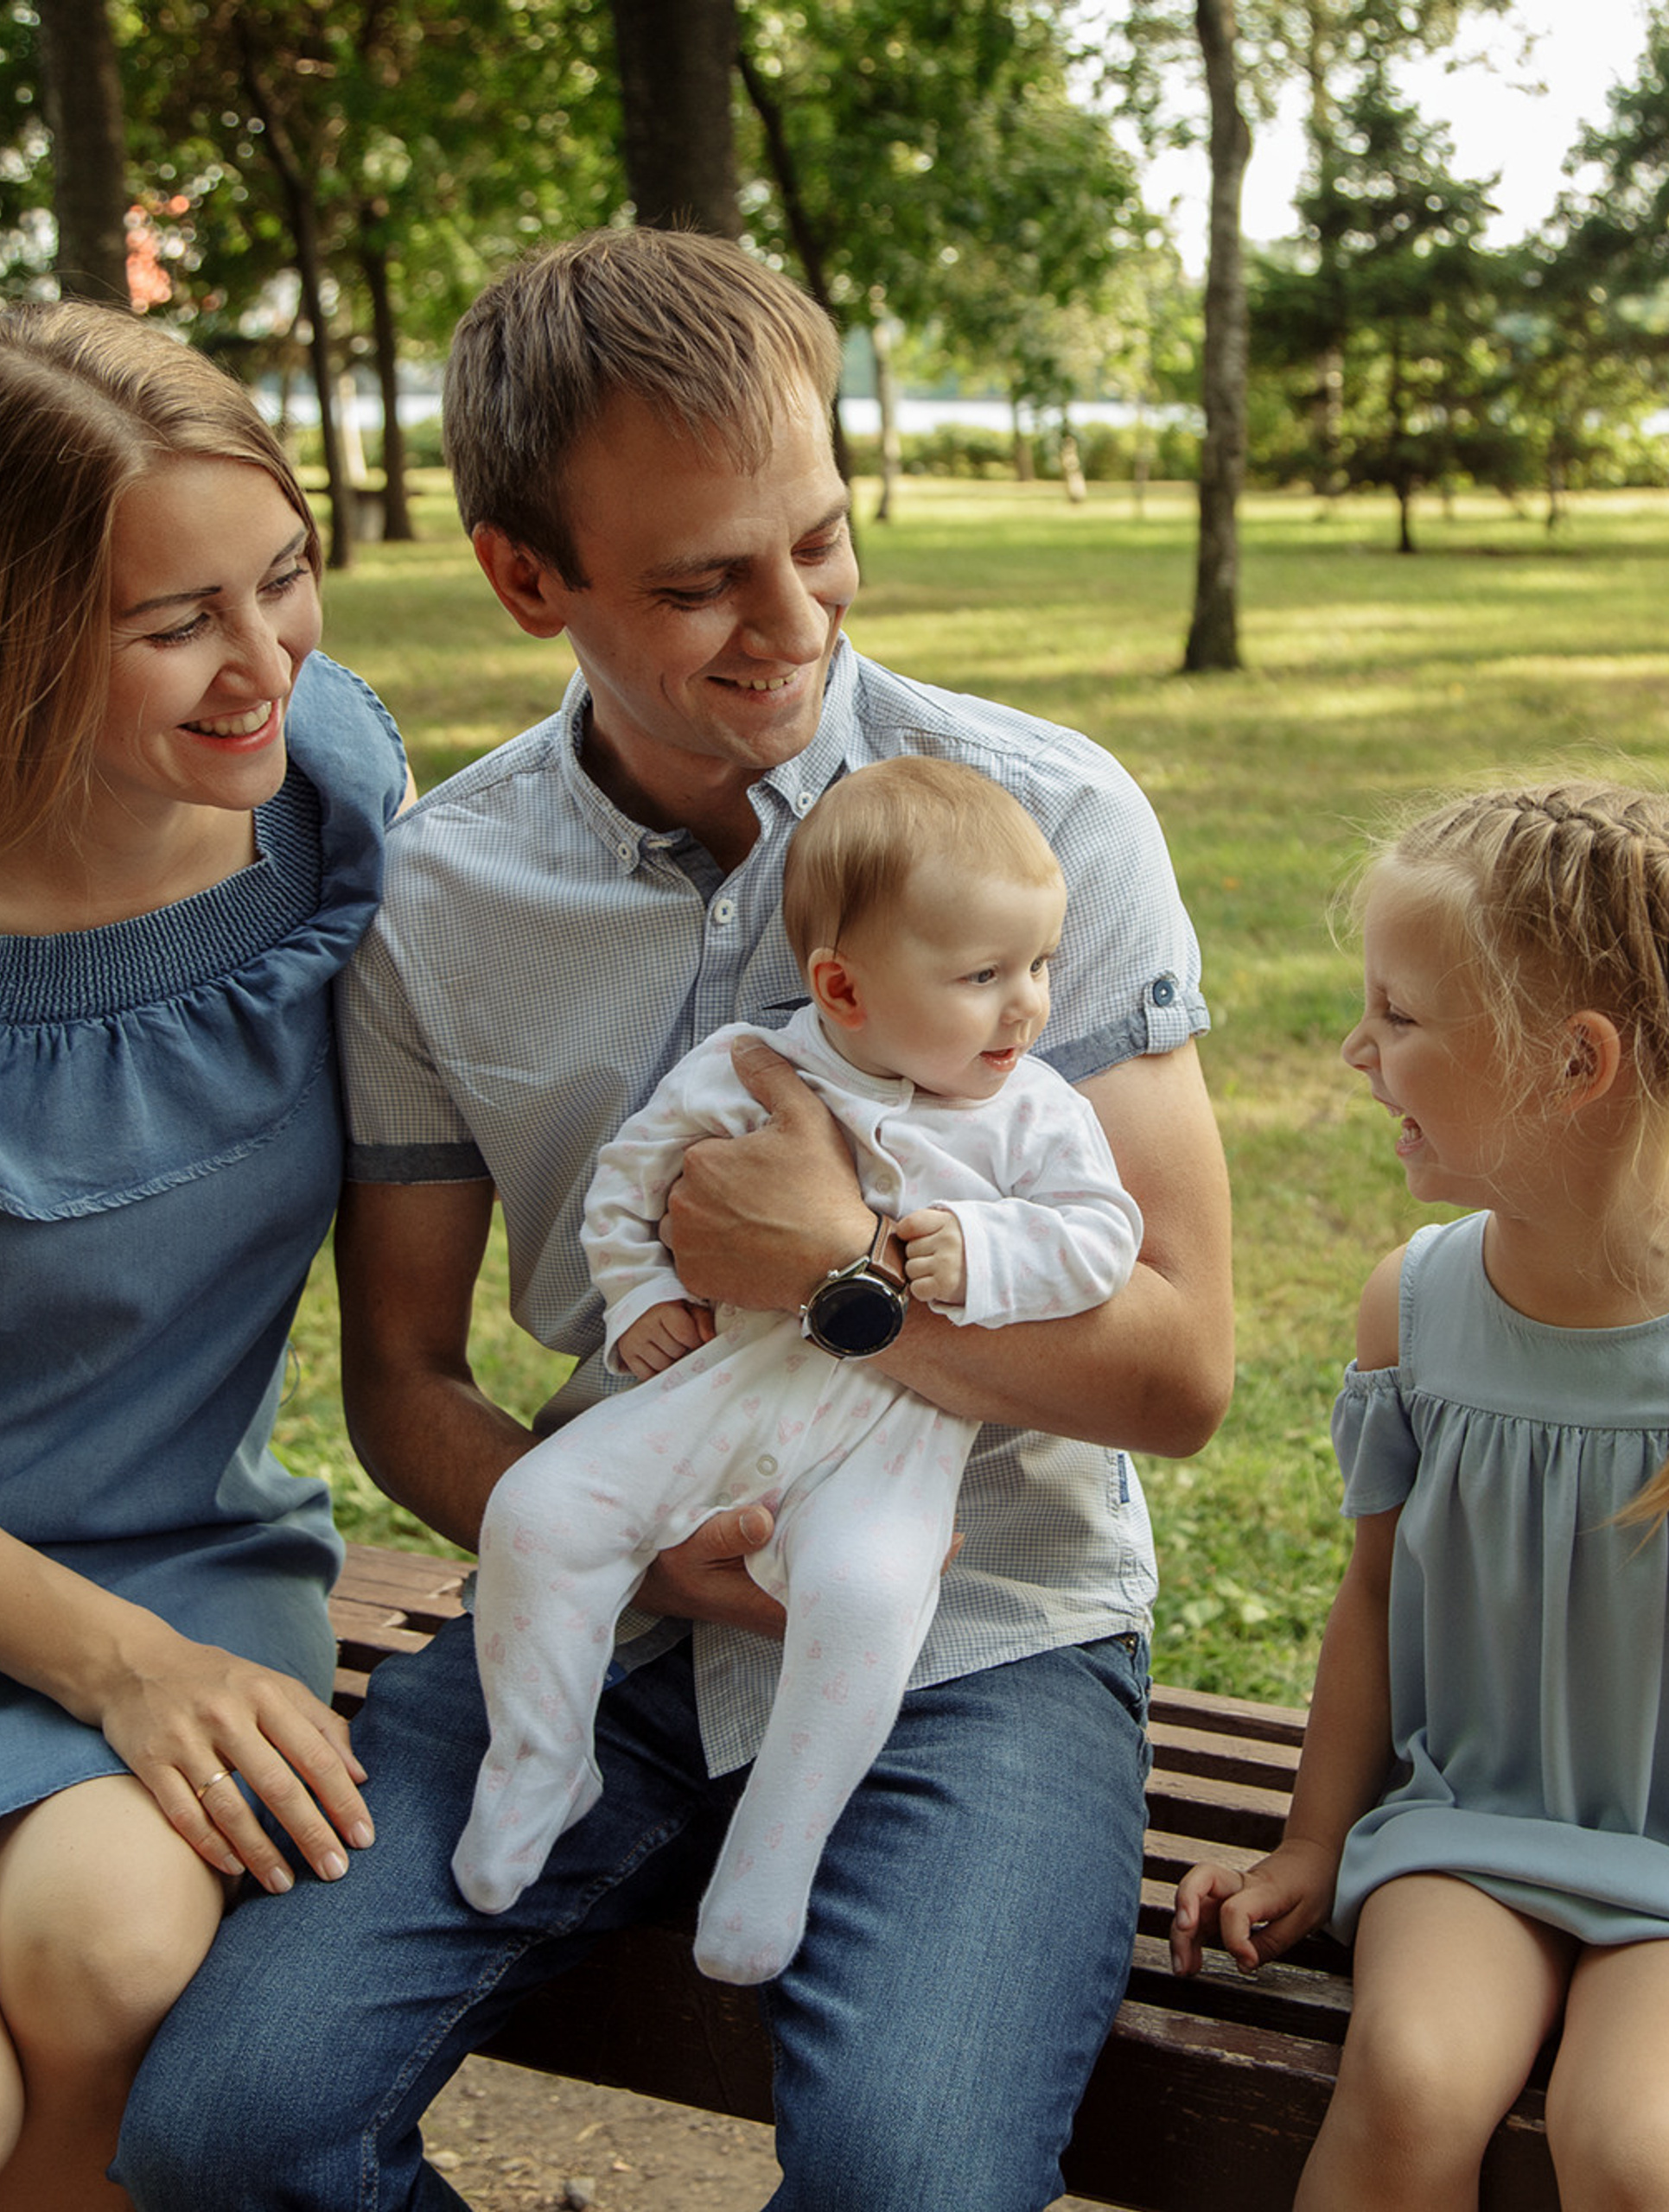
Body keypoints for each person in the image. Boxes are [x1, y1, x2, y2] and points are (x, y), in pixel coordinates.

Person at [118, 226, 1233, 2212]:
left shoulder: (1050, 826)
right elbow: (403, 1379)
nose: (788, 620)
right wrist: (634, 1538)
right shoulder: (438, 892)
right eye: (702, 579)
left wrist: (837, 1275)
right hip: (603, 1610)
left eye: (818, 538)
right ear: (521, 574)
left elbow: (1180, 1372)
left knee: (905, 2181)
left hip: (972, 1621)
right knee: (226, 2123)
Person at [1170, 780, 1669, 2210]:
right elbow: (1375, 1593)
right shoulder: (1414, 1313)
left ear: (1574, 1062)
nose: (1357, 1050)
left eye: (1399, 1016)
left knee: (1632, 2143)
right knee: (1409, 2082)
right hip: (1476, 1824)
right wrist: (1312, 1841)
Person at [454, 755, 1143, 1985]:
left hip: (896, 1434)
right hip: (726, 1387)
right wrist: (642, 1295)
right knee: (540, 1511)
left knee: (868, 1597)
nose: (1028, 1008)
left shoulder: (1035, 1113)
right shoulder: (745, 1068)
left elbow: (1102, 1240)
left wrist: (987, 1252)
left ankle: (778, 1844)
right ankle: (543, 1761)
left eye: (1039, 965)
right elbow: (630, 1181)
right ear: (842, 986)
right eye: (983, 977)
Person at [0, 302, 409, 2207]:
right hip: (97, 1629)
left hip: (187, 1558)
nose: (265, 664)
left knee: (109, 1948)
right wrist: (119, 1670)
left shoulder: (331, 795)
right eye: (177, 622)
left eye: (286, 578)